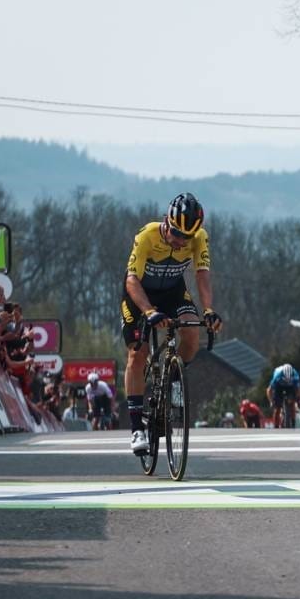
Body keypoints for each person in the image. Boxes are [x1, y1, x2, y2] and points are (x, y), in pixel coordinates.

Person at [121, 193, 224, 455]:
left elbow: (202, 275)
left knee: (191, 333)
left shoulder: (199, 237)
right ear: (167, 222)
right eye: (177, 234)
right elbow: (131, 280)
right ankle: (136, 429)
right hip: (139, 294)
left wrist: (209, 310)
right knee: (137, 353)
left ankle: (174, 380)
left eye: (186, 238)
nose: (180, 242)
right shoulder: (147, 235)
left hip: (173, 292)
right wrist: (149, 311)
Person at [267, 363, 300, 428]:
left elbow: (298, 389)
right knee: (277, 408)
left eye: (289, 380)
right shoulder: (277, 375)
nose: (287, 381)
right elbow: (269, 390)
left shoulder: (295, 375)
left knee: (292, 403)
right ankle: (276, 425)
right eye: (285, 379)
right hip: (279, 387)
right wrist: (271, 401)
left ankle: (293, 422)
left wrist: (298, 399)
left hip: (290, 387)